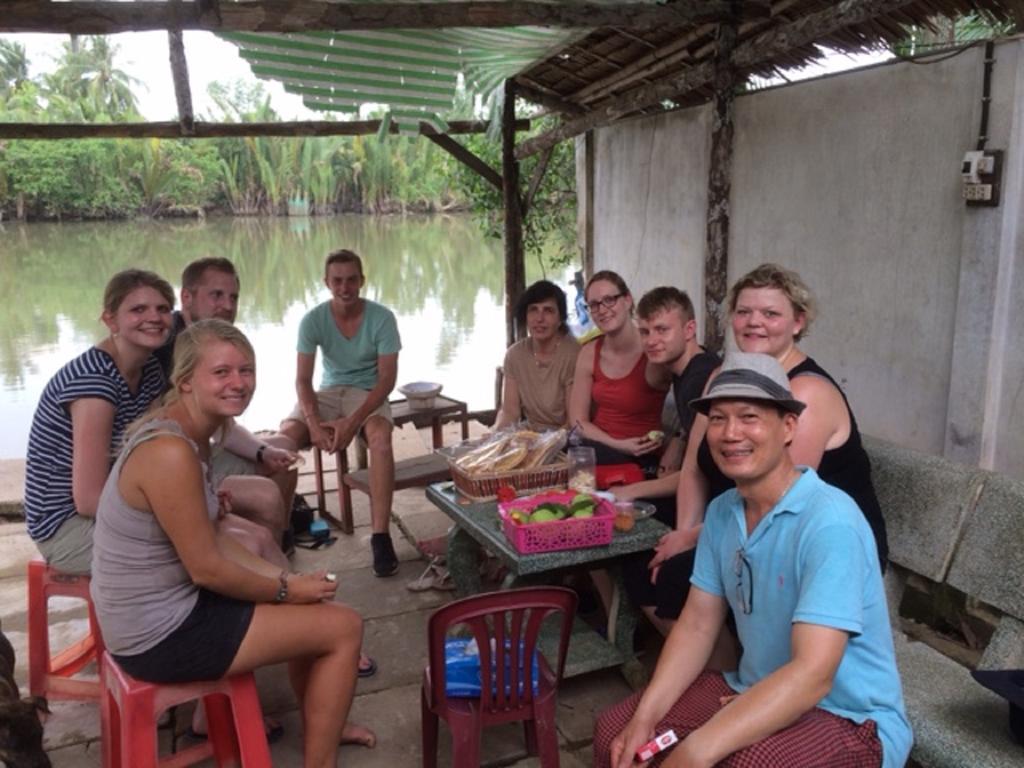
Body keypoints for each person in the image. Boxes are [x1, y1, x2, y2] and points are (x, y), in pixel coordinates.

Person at [594, 352, 912, 768]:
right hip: (753, 686)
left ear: (788, 427)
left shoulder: (830, 523)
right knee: (616, 734)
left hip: (849, 717)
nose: (730, 433)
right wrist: (646, 716)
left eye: (749, 416)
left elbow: (814, 674)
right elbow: (696, 624)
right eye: (718, 419)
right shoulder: (725, 512)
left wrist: (697, 748)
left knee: (737, 763)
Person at [91, 320, 375, 766]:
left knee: (310, 606)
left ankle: (326, 727)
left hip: (161, 611)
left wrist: (288, 580)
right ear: (185, 381)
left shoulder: (192, 433)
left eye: (246, 370)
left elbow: (215, 538)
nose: (238, 383)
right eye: (221, 373)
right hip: (158, 633)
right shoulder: (169, 451)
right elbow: (207, 567)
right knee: (344, 628)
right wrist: (285, 589)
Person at [649, 263, 890, 629]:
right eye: (743, 312)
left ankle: (738, 673)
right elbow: (696, 467)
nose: (753, 322)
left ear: (798, 322)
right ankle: (714, 671)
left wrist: (697, 543)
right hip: (741, 521)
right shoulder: (721, 376)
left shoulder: (805, 392)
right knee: (645, 564)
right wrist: (685, 531)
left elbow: (777, 497)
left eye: (770, 313)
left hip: (819, 542)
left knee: (672, 579)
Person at [24, 269, 173, 574]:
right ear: (110, 320)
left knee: (211, 534)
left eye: (162, 309)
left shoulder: (150, 371)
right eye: (138, 309)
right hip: (65, 527)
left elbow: (155, 448)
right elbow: (89, 499)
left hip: (112, 504)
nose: (154, 317)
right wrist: (172, 510)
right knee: (190, 550)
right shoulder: (94, 382)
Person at [156, 257, 299, 546]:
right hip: (174, 461)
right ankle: (260, 561)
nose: (227, 305)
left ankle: (275, 543)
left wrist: (262, 451)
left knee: (283, 449)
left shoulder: (210, 338)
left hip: (202, 448)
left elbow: (224, 426)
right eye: (216, 295)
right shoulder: (169, 346)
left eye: (233, 297)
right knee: (265, 493)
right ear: (187, 297)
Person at [279, 249, 402, 578]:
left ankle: (380, 536)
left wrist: (352, 422)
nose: (345, 287)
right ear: (326, 282)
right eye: (337, 280)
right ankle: (280, 527)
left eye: (351, 280)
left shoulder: (382, 318)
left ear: (362, 281)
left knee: (380, 440)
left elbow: (387, 379)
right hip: (329, 392)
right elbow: (303, 380)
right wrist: (315, 423)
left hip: (368, 393)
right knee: (284, 439)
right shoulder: (313, 320)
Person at [614, 287, 719, 636]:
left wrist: (626, 492)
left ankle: (685, 652)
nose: (651, 341)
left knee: (633, 542)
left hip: (718, 501)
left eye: (662, 330)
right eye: (645, 331)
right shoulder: (684, 372)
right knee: (627, 533)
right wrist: (677, 438)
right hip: (704, 495)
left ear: (689, 330)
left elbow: (696, 471)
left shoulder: (703, 377)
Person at [568, 270, 671, 471]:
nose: (602, 309)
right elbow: (578, 420)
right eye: (594, 305)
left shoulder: (652, 349)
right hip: (599, 448)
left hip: (642, 456)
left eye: (609, 300)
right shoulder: (589, 352)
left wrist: (677, 442)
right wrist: (617, 444)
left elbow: (691, 375)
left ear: (627, 300)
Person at [494, 280, 580, 432]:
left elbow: (573, 422)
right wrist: (495, 437)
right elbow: (510, 413)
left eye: (548, 310)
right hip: (528, 436)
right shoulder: (515, 355)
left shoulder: (573, 353)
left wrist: (544, 447)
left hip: (565, 438)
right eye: (533, 310)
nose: (539, 318)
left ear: (560, 319)